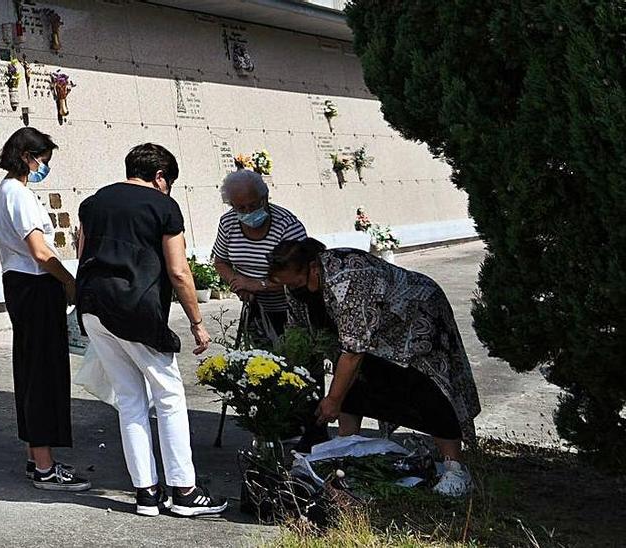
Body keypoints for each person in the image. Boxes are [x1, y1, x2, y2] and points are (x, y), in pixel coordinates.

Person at [76, 143, 227, 516]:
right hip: (136, 309)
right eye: (168, 182)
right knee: (169, 395)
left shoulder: (93, 204)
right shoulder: (163, 206)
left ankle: (146, 493)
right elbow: (178, 270)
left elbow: (82, 254)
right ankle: (184, 491)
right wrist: (197, 322)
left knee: (129, 400)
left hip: (93, 306)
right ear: (161, 176)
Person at [267, 238, 482, 497]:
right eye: (287, 285)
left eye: (296, 283)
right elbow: (300, 333)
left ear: (312, 267)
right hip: (375, 333)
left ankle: (455, 468)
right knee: (354, 383)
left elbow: (353, 353)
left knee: (427, 386)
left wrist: (332, 400)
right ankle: (346, 449)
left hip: (418, 316)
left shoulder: (349, 280)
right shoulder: (298, 285)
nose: (293, 289)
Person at [0, 127, 90, 492]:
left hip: (22, 285)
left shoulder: (7, 191)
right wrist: (69, 281)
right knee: (43, 374)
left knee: (33, 371)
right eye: (42, 160)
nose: (44, 167)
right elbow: (40, 251)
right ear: (26, 157)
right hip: (34, 285)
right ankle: (46, 467)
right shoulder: (17, 194)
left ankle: (37, 458)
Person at [211, 169, 308, 345]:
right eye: (241, 208)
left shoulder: (287, 225)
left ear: (265, 198)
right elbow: (220, 262)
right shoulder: (228, 223)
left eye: (254, 205)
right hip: (256, 310)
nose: (248, 212)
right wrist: (237, 282)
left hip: (293, 309)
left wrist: (260, 285)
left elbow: (301, 275)